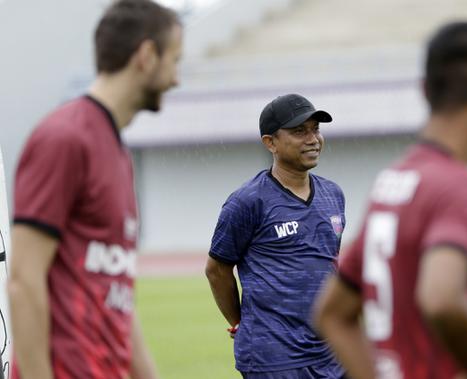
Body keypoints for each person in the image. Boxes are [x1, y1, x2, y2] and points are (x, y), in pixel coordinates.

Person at [314, 22, 467, 379]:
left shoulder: (391, 183)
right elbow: (442, 299)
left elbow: (331, 313)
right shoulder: (459, 188)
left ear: (425, 91)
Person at [8, 1, 183, 378]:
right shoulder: (64, 138)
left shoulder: (118, 153)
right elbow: (24, 279)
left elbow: (114, 291)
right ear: (147, 55)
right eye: (174, 59)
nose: (176, 78)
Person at [205, 93, 346, 378]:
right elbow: (217, 270)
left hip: (331, 351)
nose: (312, 139)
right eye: (299, 132)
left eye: (315, 129)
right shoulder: (247, 201)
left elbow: (329, 265)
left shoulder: (333, 195)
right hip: (274, 357)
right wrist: (241, 322)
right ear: (270, 142)